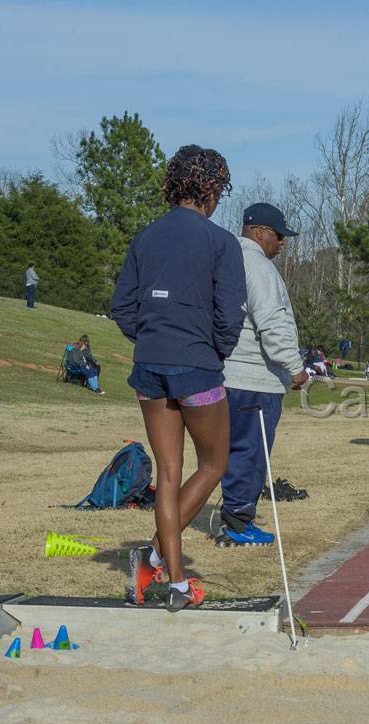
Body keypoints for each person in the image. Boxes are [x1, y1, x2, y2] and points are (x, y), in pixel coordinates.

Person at [111, 144, 245, 611]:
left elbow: (122, 308)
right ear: (211, 191)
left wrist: (151, 336)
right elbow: (230, 317)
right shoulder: (221, 242)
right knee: (213, 465)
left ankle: (175, 579)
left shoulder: (145, 237)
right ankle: (156, 560)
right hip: (197, 366)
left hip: (148, 364)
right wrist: (212, 351)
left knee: (168, 474)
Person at [215, 202, 307, 547]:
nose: (282, 242)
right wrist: (295, 368)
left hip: (224, 376)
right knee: (251, 452)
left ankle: (231, 516)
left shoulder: (224, 260)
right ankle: (238, 523)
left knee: (223, 453)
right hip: (255, 379)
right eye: (279, 235)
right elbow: (272, 322)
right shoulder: (260, 267)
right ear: (259, 233)